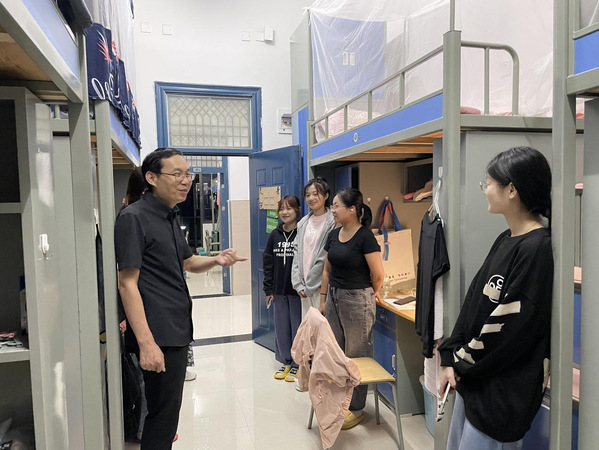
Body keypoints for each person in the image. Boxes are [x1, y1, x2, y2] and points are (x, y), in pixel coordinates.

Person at [115, 148, 246, 450]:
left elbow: (187, 262)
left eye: (188, 174)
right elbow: (126, 283)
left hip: (176, 329)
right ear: (151, 178)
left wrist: (216, 260)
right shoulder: (133, 218)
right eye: (177, 174)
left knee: (168, 415)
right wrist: (147, 343)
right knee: (161, 417)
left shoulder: (170, 215)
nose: (186, 180)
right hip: (157, 333)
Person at [438, 146, 553, 449]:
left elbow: (509, 328)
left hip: (501, 397)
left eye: (487, 183)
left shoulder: (537, 249)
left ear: (511, 190)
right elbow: (473, 303)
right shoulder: (506, 238)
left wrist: (460, 360)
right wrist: (450, 356)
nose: (485, 190)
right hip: (474, 382)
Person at [319, 188, 384, 430]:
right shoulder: (333, 235)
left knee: (356, 355)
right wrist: (323, 300)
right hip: (334, 298)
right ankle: (340, 401)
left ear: (352, 209)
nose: (333, 210)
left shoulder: (365, 237)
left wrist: (371, 293)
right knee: (337, 352)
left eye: (336, 205)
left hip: (357, 299)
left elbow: (378, 274)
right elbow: (327, 270)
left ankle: (356, 408)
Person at [263, 195, 302, 382]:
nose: (285, 212)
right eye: (281, 209)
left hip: (297, 292)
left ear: (297, 210)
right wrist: (268, 289)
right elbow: (268, 262)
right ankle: (286, 362)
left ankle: (298, 363)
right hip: (279, 290)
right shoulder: (274, 234)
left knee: (298, 328)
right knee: (282, 329)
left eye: (289, 208)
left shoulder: (302, 232)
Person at [291, 178, 336, 317]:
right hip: (304, 287)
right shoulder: (303, 223)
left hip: (322, 288)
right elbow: (296, 253)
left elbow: (324, 258)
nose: (311, 198)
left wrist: (309, 287)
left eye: (316, 194)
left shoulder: (333, 222)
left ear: (326, 195)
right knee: (308, 327)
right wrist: (298, 284)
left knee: (323, 327)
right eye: (308, 195)